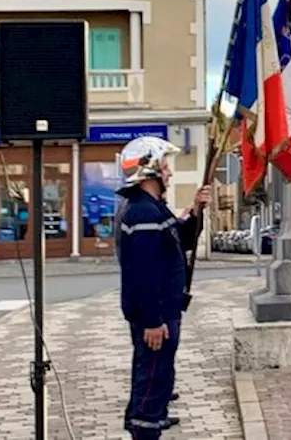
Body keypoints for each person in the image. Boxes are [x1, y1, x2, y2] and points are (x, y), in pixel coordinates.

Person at [115, 136, 210, 438]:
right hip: (157, 318)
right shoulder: (143, 213)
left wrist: (196, 210)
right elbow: (143, 274)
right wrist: (153, 322)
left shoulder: (153, 209)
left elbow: (182, 240)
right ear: (150, 169)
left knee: (158, 382)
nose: (169, 173)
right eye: (165, 167)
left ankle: (151, 426)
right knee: (150, 385)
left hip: (165, 311)